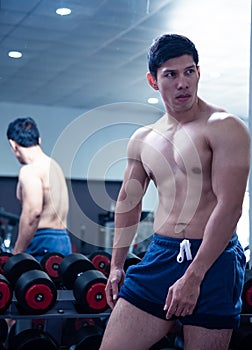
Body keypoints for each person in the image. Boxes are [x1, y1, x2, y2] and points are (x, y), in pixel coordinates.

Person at [99, 34, 250, 350]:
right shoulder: (144, 139)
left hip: (215, 260)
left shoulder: (225, 127)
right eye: (171, 74)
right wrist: (116, 265)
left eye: (189, 71)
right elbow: (129, 203)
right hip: (162, 254)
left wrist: (194, 276)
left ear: (198, 72)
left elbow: (230, 206)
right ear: (153, 81)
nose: (183, 82)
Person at [6, 117, 72, 261]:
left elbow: (33, 213)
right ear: (39, 140)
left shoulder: (30, 171)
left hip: (42, 242)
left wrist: (17, 252)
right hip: (63, 240)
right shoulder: (54, 166)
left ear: (13, 144)